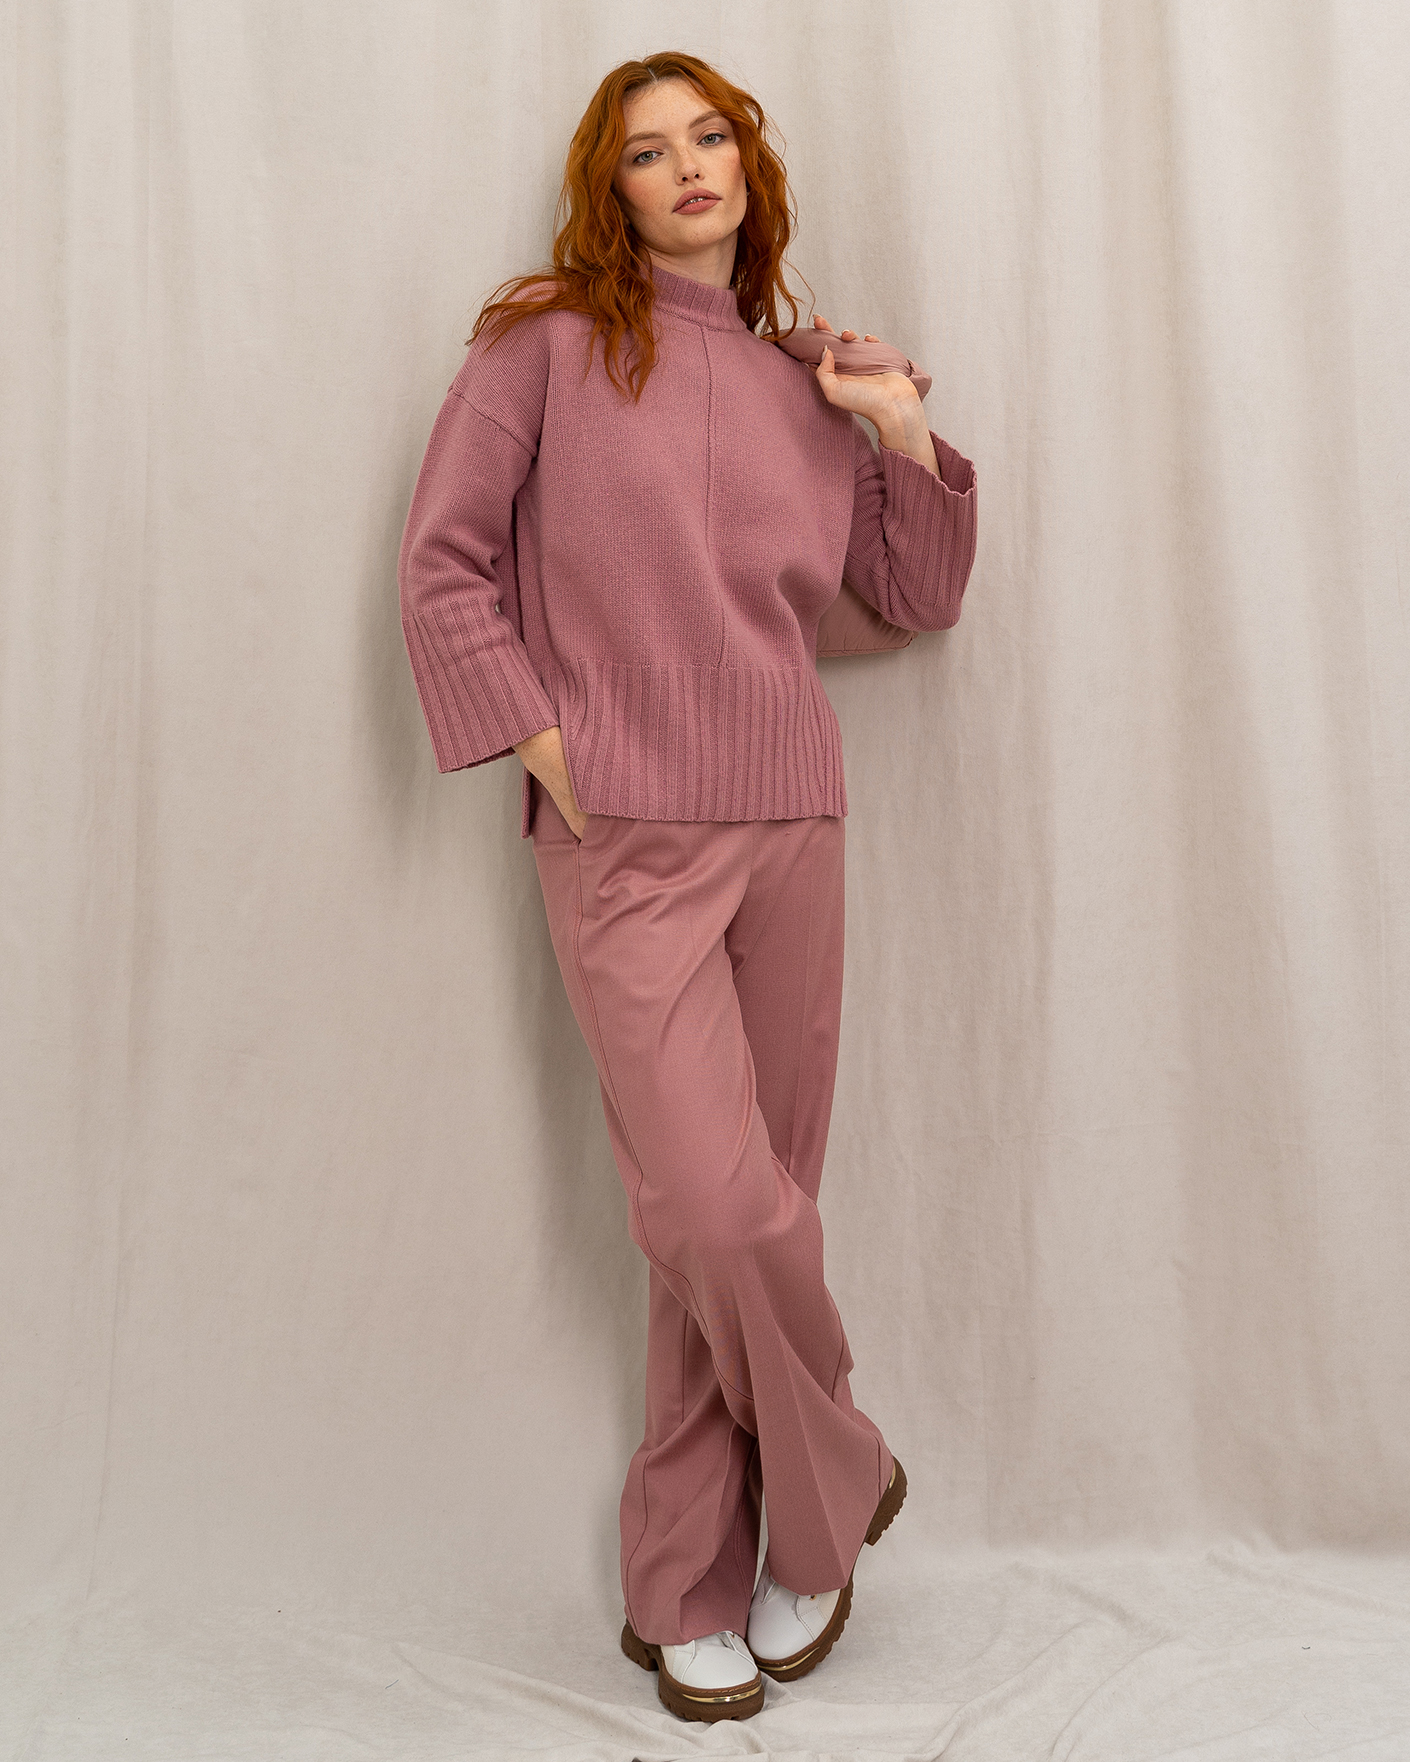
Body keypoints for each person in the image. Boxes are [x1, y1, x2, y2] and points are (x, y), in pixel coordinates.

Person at [397, 50, 977, 1724]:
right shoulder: (541, 350)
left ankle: (681, 1586)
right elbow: (441, 562)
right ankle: (838, 1468)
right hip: (623, 831)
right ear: (612, 190)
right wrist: (545, 743)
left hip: (792, 816)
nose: (687, 167)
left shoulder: (808, 382)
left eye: (708, 136)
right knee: (714, 1207)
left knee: (725, 1223)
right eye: (647, 152)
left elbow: (916, 597)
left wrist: (897, 428)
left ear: (748, 165)